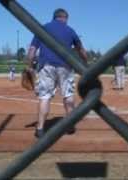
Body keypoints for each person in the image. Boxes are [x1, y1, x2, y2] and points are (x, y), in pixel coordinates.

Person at [26, 8, 87, 138]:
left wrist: (30, 67)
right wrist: (86, 64)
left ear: (54, 17)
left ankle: (40, 128)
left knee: (44, 97)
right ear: (65, 18)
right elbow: (81, 50)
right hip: (65, 66)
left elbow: (31, 51)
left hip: (46, 66)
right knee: (68, 95)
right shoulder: (70, 30)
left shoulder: (43, 28)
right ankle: (70, 126)